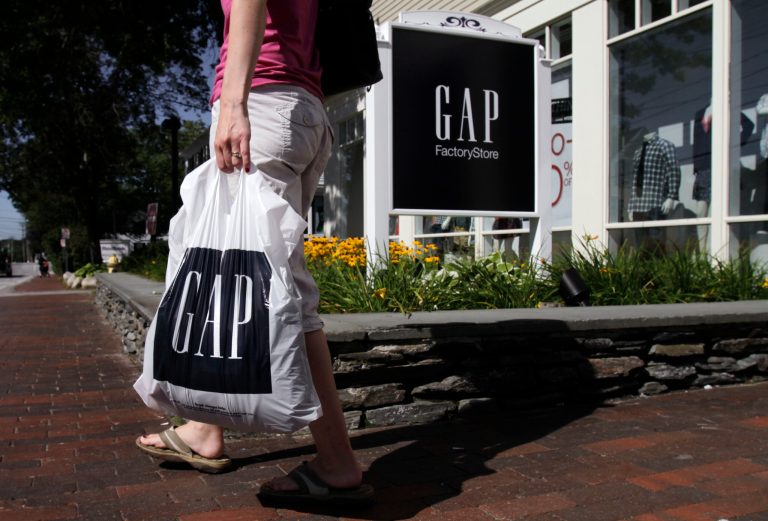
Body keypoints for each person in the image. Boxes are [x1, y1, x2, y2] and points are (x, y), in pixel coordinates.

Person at [136, 0, 372, 504]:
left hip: (263, 103)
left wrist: (233, 104)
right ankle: (204, 429)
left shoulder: (248, 102)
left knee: (282, 292)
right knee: (260, 276)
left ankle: (336, 464)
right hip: (303, 109)